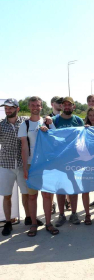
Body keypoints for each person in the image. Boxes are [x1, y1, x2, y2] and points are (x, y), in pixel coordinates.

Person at [18, 96, 58, 237]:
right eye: (33, 105)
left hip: (46, 164)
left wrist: (48, 129)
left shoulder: (48, 122)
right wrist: (25, 167)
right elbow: (24, 147)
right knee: (32, 197)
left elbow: (55, 140)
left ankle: (48, 223)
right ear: (29, 107)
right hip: (31, 164)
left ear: (41, 107)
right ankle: (34, 224)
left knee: (47, 195)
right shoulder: (25, 125)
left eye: (38, 105)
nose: (35, 107)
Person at [50, 97, 85, 227]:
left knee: (74, 187)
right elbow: (45, 127)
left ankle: (74, 214)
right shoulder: (55, 120)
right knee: (60, 188)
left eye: (69, 105)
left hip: (75, 159)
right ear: (61, 107)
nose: (67, 107)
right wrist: (44, 124)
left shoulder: (78, 120)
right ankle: (61, 215)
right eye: (65, 105)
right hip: (59, 160)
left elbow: (83, 139)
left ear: (73, 106)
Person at [0, 99, 32, 236]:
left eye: (10, 108)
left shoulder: (25, 122)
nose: (8, 110)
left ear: (17, 108)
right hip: (5, 164)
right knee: (7, 195)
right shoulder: (1, 125)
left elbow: (39, 120)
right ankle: (8, 222)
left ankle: (29, 218)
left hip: (21, 164)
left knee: (26, 193)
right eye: (6, 108)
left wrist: (47, 119)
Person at [49, 96, 63, 214]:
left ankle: (67, 201)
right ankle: (52, 203)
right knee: (53, 180)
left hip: (64, 154)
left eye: (62, 102)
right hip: (52, 154)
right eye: (58, 102)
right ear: (52, 104)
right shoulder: (47, 118)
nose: (60, 104)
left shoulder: (64, 117)